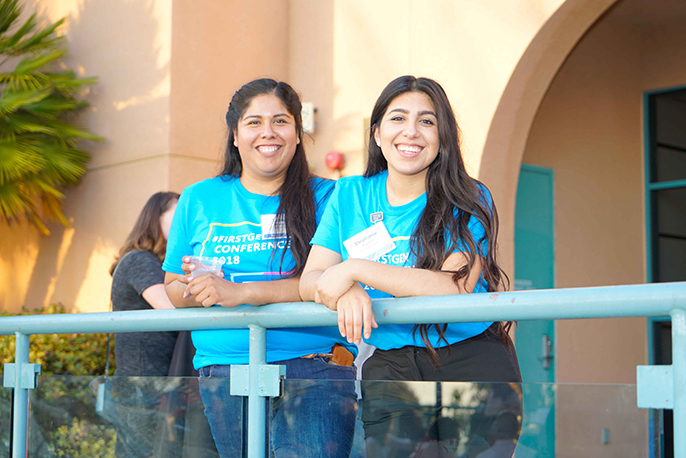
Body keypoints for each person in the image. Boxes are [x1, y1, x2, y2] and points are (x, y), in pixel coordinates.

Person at [299, 75, 522, 457]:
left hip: (471, 360)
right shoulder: (349, 194)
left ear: (443, 136)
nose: (412, 132)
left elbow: (455, 286)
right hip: (391, 366)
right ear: (377, 133)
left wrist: (356, 270)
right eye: (398, 118)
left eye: (427, 121)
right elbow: (310, 281)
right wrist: (346, 290)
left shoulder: (469, 196)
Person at [162, 78, 358, 458]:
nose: (267, 132)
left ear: (298, 134)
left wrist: (238, 293)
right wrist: (194, 287)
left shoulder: (328, 197)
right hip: (224, 372)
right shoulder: (199, 198)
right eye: (253, 122)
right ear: (235, 135)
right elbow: (172, 288)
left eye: (281, 121)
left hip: (314, 368)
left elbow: (330, 281)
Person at [109, 191, 179, 458]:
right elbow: (172, 310)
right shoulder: (140, 260)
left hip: (154, 384)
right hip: (142, 384)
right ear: (155, 217)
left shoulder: (157, 264)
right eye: (178, 214)